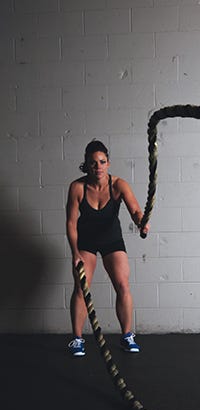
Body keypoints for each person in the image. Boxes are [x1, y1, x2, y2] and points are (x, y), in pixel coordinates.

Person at [66, 139, 149, 356]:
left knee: (123, 284)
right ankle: (77, 339)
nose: (98, 167)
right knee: (81, 287)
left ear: (108, 163)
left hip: (112, 240)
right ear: (86, 164)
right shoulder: (77, 187)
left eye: (102, 162)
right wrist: (75, 252)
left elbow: (135, 211)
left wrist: (142, 222)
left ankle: (127, 335)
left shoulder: (118, 185)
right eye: (93, 163)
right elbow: (71, 223)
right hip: (86, 242)